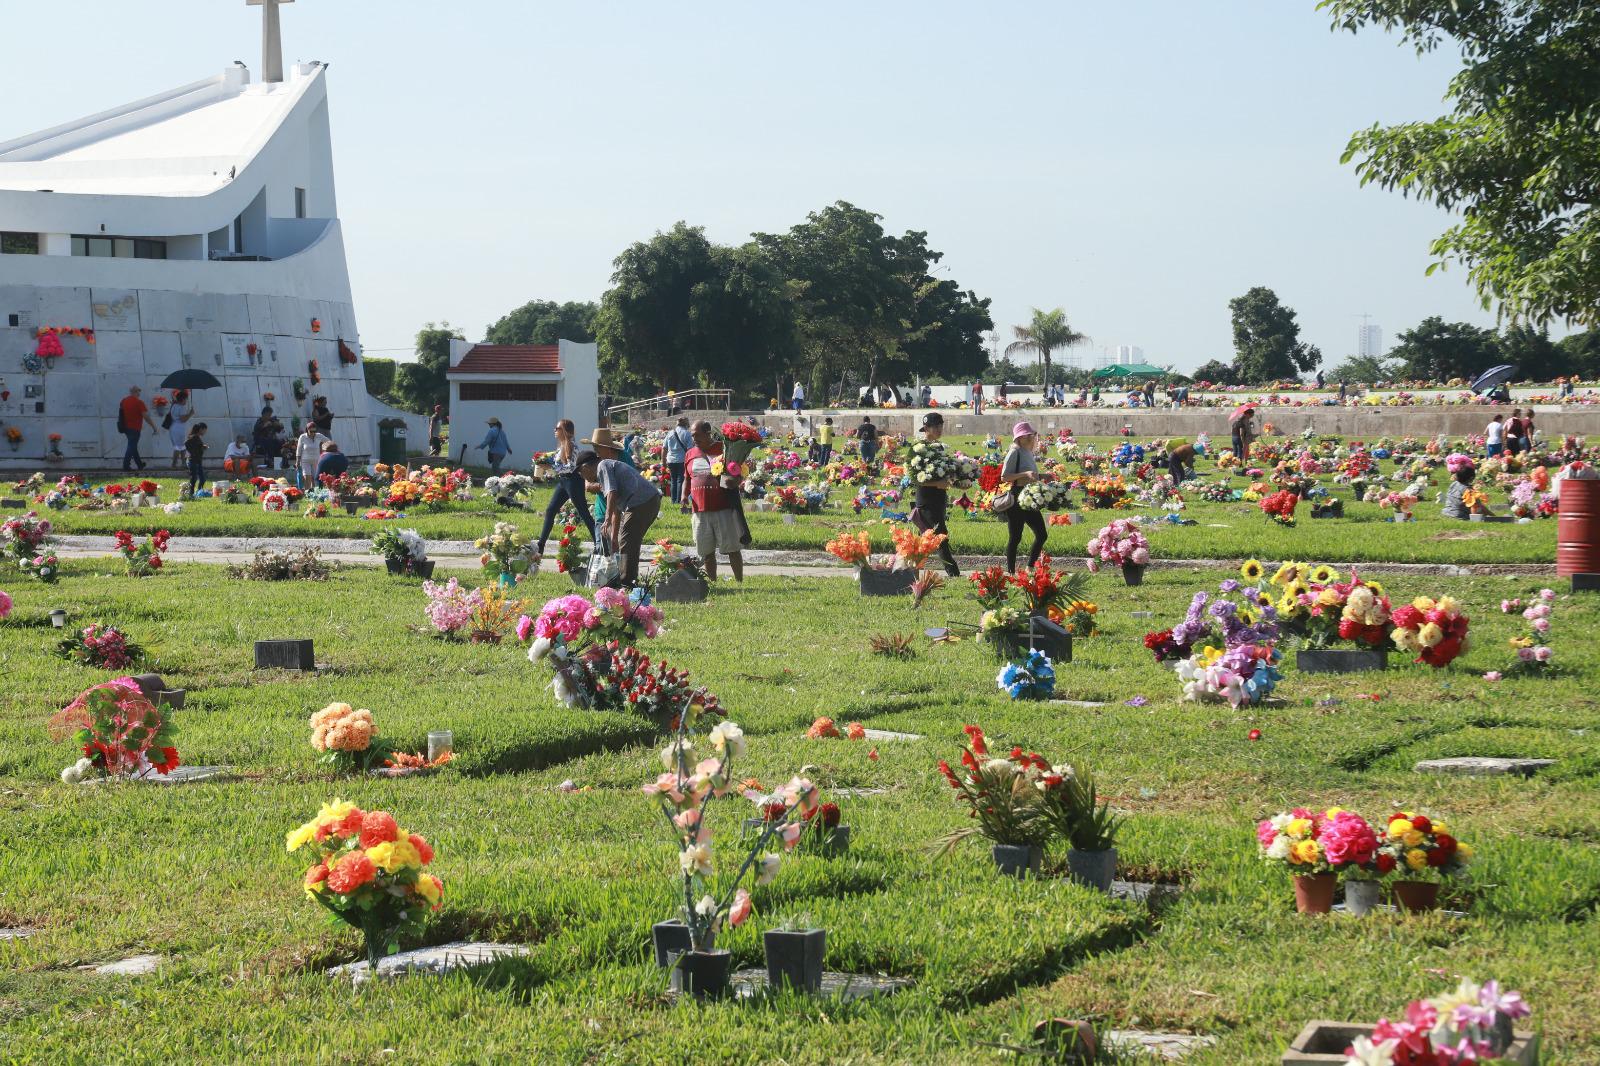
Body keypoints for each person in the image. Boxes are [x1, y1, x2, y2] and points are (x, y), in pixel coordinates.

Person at [577, 428, 662, 584]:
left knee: (628, 541)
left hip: (642, 502)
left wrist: (607, 520)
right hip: (647, 501)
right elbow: (616, 506)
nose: (585, 479)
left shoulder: (603, 465)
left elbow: (612, 494)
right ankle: (628, 579)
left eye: (582, 474)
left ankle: (626, 582)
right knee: (629, 541)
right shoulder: (608, 466)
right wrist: (614, 535)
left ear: (586, 467)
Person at [684, 420, 746, 582]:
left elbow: (737, 472)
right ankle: (713, 582)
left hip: (723, 508)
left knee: (732, 548)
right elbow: (687, 478)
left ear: (708, 433)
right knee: (706, 552)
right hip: (699, 511)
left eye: (697, 435)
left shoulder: (724, 449)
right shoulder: (690, 453)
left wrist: (736, 480)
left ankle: (739, 581)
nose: (694, 438)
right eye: (692, 436)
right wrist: (684, 496)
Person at [535, 418, 597, 557]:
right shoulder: (562, 446)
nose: (554, 431)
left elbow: (571, 467)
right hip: (563, 482)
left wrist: (551, 467)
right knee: (550, 510)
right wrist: (542, 460)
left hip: (573, 481)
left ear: (564, 431)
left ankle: (599, 544)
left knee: (583, 513)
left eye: (557, 428)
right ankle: (540, 545)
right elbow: (557, 464)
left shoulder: (572, 446)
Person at [911, 412, 960, 577]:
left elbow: (945, 473)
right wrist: (936, 484)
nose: (939, 429)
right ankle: (953, 573)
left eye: (941, 426)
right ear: (926, 428)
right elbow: (915, 479)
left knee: (924, 539)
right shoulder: (918, 448)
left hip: (939, 499)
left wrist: (958, 481)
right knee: (940, 538)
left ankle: (909, 568)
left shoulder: (939, 447)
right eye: (936, 426)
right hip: (926, 500)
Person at [1000, 422, 1047, 572]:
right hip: (1017, 498)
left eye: (1032, 435)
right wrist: (1025, 474)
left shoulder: (1027, 452)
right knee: (1015, 538)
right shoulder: (1015, 451)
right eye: (1029, 436)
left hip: (1030, 497)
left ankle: (1030, 567)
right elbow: (1005, 477)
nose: (1032, 438)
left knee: (1042, 534)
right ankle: (1011, 572)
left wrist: (1043, 476)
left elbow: (1031, 475)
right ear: (1020, 438)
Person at [117, 385, 156, 471]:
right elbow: (146, 416)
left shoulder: (123, 401)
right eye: (138, 391)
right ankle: (126, 465)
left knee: (133, 446)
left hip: (125, 427)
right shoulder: (139, 402)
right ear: (134, 392)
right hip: (135, 428)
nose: (139, 393)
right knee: (131, 446)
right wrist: (154, 426)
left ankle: (140, 464)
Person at [664, 416, 693, 504]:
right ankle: (679, 500)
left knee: (673, 480)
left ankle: (673, 501)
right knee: (681, 480)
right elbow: (689, 450)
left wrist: (663, 462)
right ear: (686, 423)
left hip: (670, 460)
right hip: (681, 460)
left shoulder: (670, 433)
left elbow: (664, 448)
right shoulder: (687, 434)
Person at [295, 422, 331, 488]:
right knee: (307, 477)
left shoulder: (319, 436)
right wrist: (297, 461)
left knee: (315, 479)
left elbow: (329, 442)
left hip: (316, 460)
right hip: (305, 460)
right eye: (311, 431)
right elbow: (299, 449)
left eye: (314, 431)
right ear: (307, 430)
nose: (313, 433)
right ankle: (307, 493)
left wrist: (323, 450)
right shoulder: (302, 437)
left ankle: (313, 494)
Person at [165, 389, 192, 467]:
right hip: (179, 428)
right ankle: (175, 464)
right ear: (183, 399)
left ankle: (183, 463)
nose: (186, 401)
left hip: (173, 427)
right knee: (178, 447)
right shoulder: (181, 407)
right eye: (186, 399)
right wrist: (190, 413)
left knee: (181, 446)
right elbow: (183, 419)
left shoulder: (174, 405)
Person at [183, 421, 209, 496]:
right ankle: (191, 493)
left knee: (202, 478)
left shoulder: (197, 437)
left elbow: (197, 446)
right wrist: (192, 452)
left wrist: (203, 447)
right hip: (192, 461)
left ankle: (198, 492)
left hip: (198, 461)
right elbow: (186, 443)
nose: (205, 432)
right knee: (194, 478)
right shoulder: (194, 436)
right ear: (201, 429)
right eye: (205, 430)